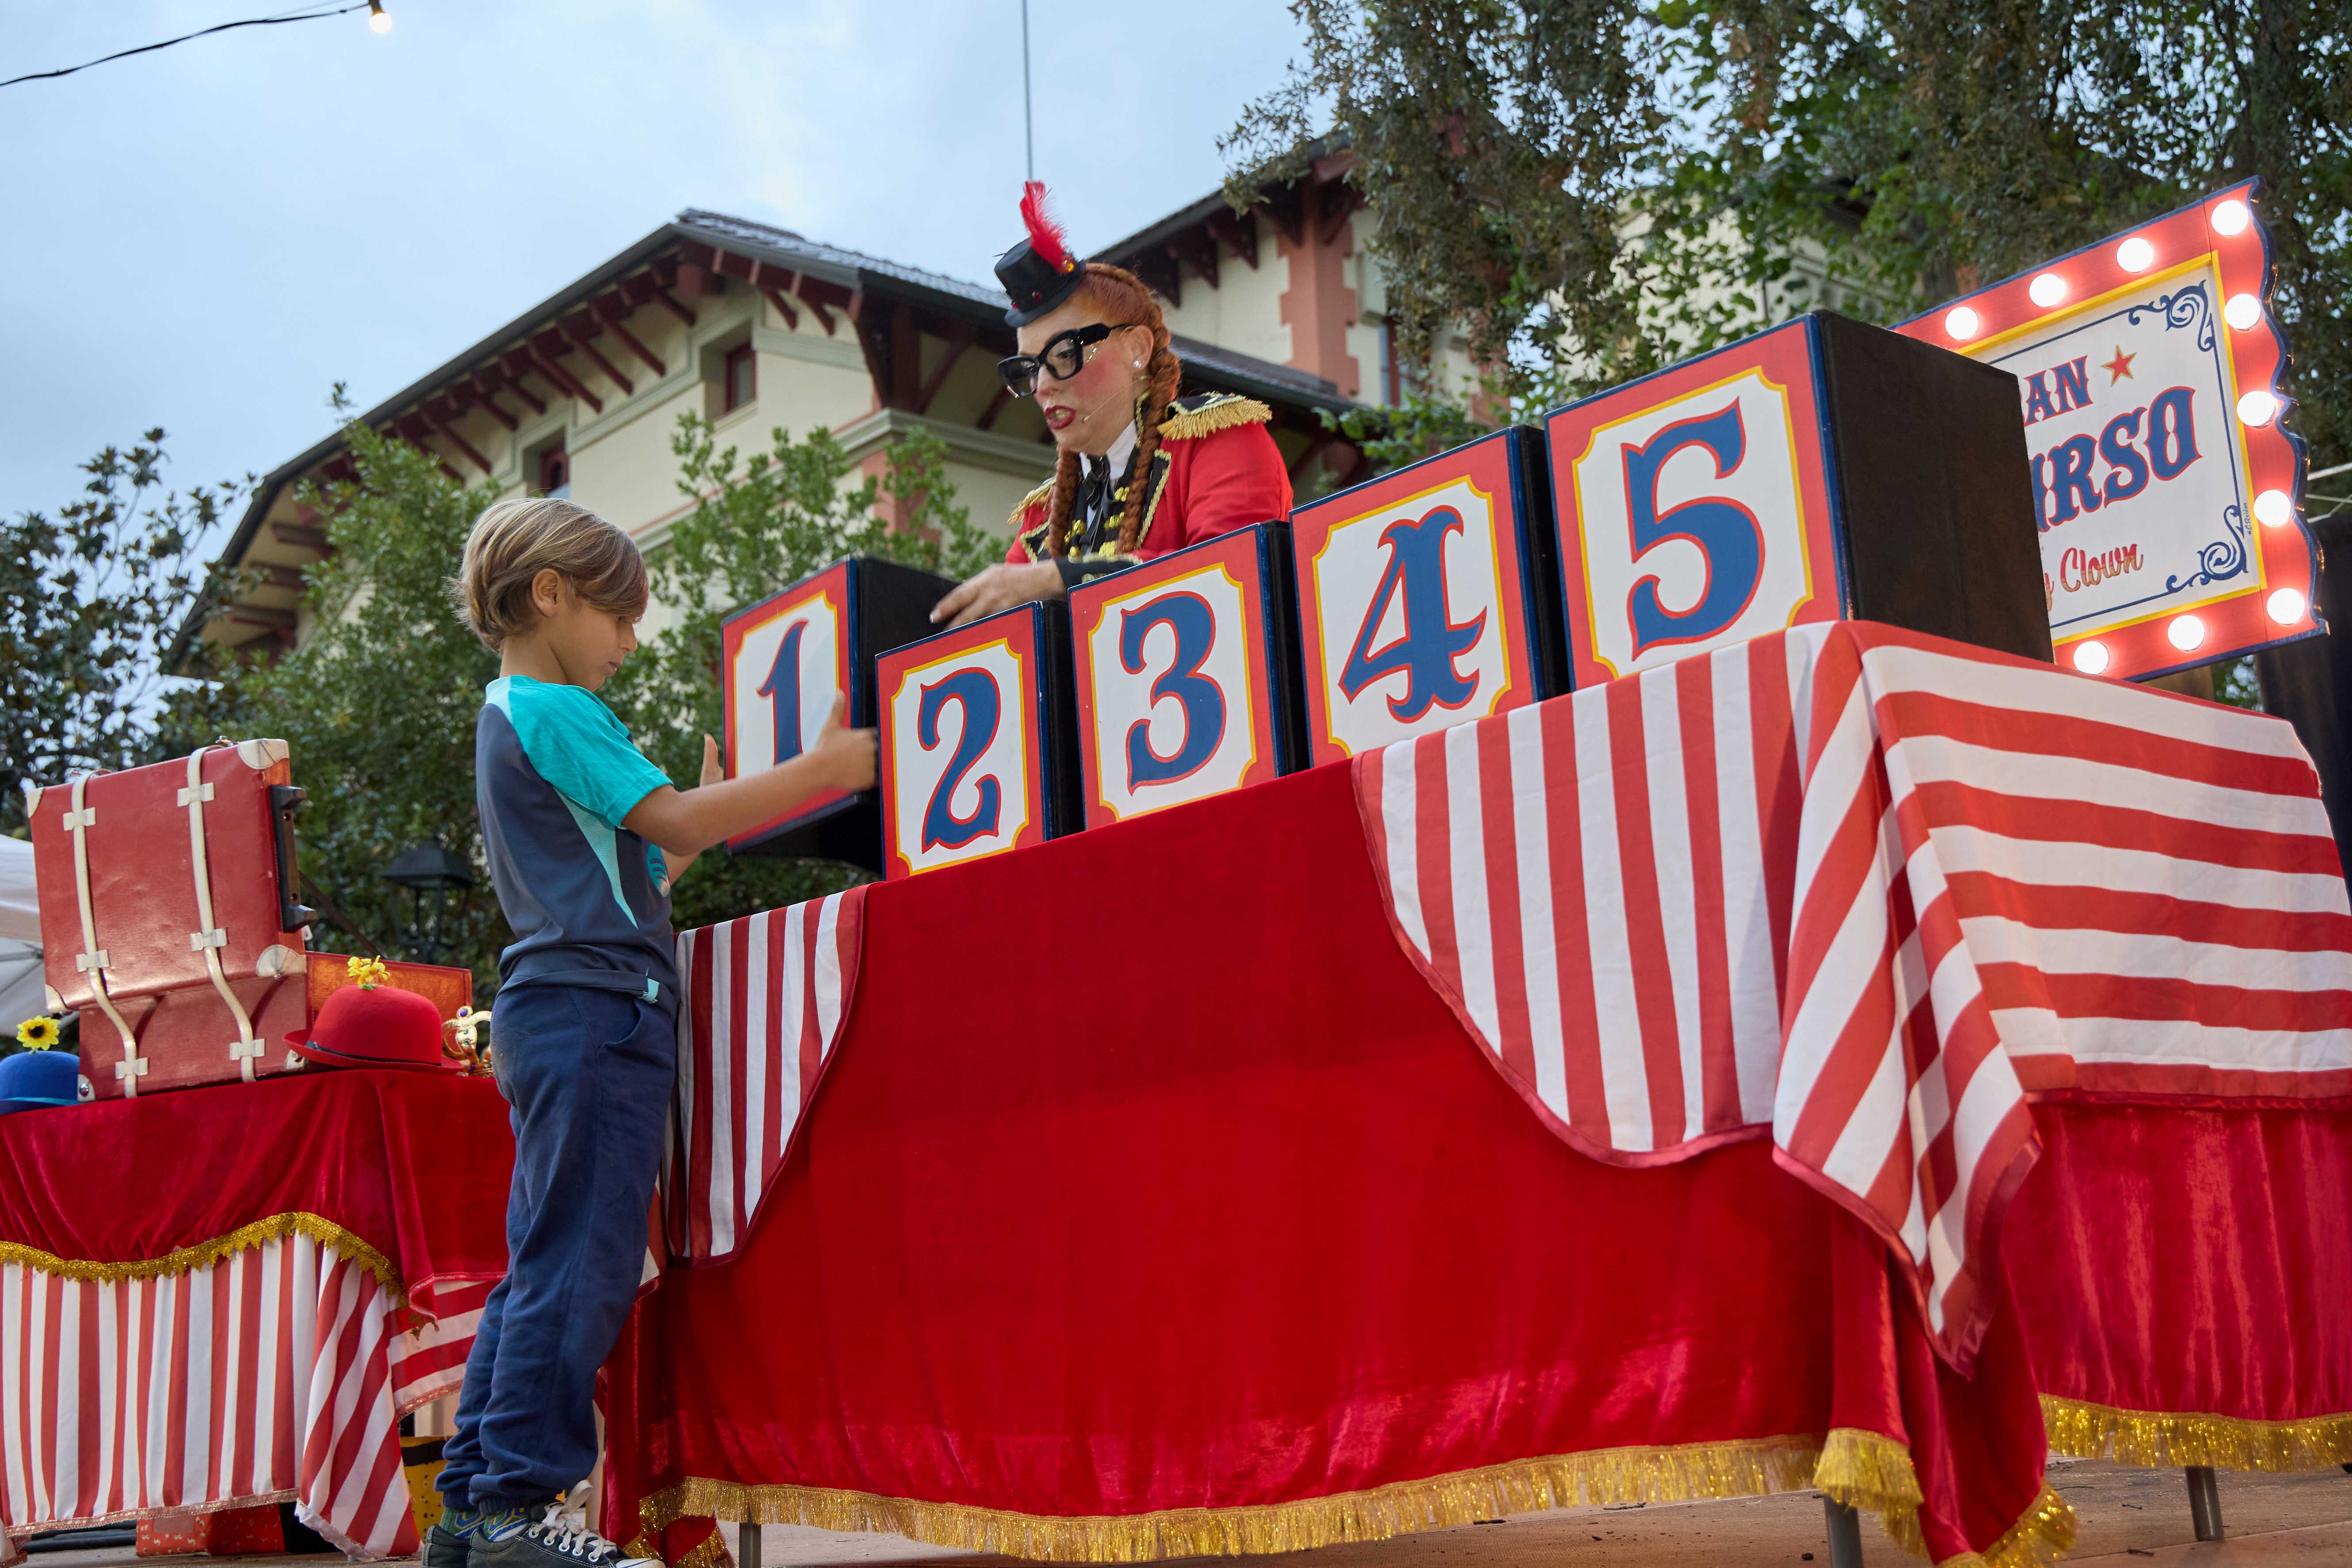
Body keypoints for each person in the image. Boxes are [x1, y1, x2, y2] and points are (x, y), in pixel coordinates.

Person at [426, 497, 876, 1568]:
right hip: (598, 1008)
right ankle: (516, 1511)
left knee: (539, 1259)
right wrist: (825, 770)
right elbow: (670, 820)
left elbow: (644, 866)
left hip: (556, 1000)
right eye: (619, 614)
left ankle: (471, 1510)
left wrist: (708, 810)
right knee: (578, 1263)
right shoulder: (559, 704)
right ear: (550, 595)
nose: (630, 640)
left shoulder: (507, 712)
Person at [932, 184, 1294, 628]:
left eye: (1064, 354)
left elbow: (1232, 574)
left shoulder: (1215, 439)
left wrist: (1058, 578)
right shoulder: (1041, 519)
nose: (1042, 386)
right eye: (1029, 368)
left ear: (1137, 348)